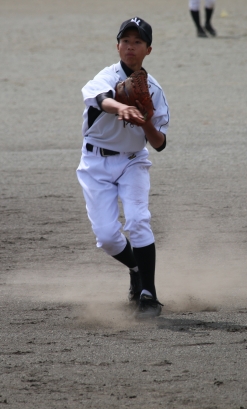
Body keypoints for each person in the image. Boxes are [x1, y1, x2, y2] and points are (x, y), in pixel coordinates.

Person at [76, 17, 170, 318]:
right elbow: (101, 99)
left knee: (138, 220)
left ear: (148, 50)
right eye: (125, 41)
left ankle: (149, 295)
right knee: (106, 237)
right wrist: (123, 107)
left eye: (138, 42)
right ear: (117, 46)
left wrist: (145, 121)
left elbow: (159, 143)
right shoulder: (105, 77)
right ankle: (135, 269)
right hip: (95, 163)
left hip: (132, 161)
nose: (131, 47)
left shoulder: (154, 90)